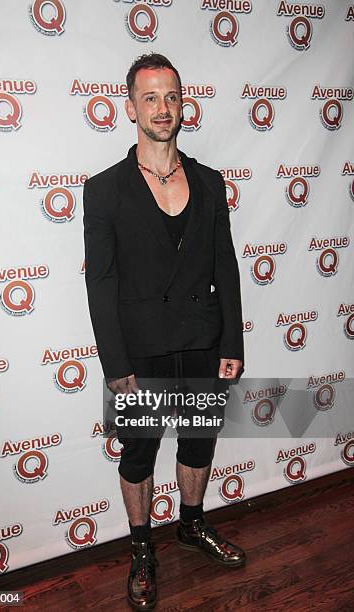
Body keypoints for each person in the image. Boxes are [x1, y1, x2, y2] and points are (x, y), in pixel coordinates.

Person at [83, 53, 246, 611]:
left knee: (200, 442)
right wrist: (115, 365)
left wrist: (232, 343)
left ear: (183, 105)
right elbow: (100, 285)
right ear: (130, 107)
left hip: (203, 340)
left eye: (171, 96)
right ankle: (141, 547)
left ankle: (191, 525)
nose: (163, 107)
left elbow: (225, 266)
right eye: (150, 97)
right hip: (142, 351)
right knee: (139, 452)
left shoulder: (209, 180)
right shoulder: (104, 190)